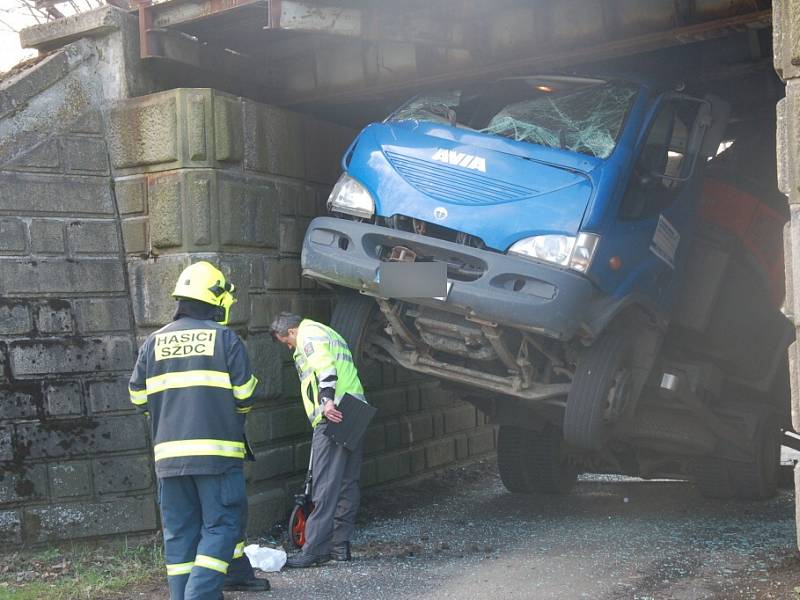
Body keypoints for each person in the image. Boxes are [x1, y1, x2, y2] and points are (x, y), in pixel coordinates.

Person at [129, 261, 267, 600]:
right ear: (215, 298)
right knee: (221, 527)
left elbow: (137, 397)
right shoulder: (224, 339)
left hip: (169, 460)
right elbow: (245, 395)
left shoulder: (153, 342)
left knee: (179, 535)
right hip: (217, 458)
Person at [269, 312, 367, 568]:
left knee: (325, 484)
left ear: (291, 331)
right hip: (355, 409)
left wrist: (326, 401)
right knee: (347, 482)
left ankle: (315, 549)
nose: (290, 347)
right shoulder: (329, 332)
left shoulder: (309, 334)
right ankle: (339, 546)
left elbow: (325, 367)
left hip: (335, 413)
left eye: (287, 342)